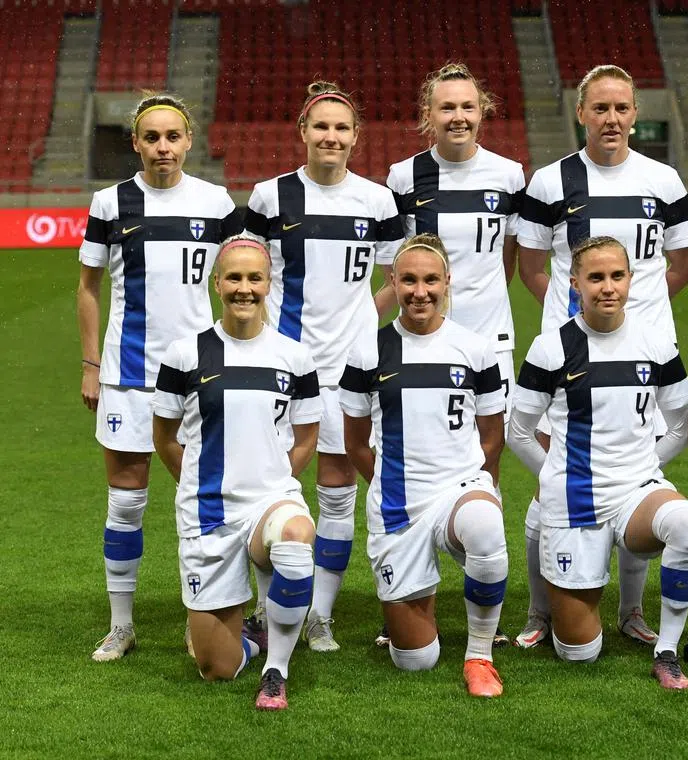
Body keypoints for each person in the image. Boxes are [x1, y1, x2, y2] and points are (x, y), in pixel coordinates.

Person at [514, 64, 688, 648]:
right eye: (600, 108)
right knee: (550, 497)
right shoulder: (550, 182)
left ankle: (633, 610)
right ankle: (540, 614)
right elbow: (531, 265)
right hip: (570, 358)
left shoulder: (664, 180)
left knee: (642, 475)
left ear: (636, 114)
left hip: (643, 356)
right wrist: (579, 320)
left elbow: (683, 264)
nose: (611, 119)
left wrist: (628, 320)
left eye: (622, 108)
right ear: (581, 113)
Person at [78, 93, 243, 662]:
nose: (163, 148)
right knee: (126, 502)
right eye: (152, 138)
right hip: (128, 375)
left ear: (189, 141)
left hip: (199, 377)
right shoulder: (110, 202)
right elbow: (88, 288)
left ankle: (210, 612)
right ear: (136, 143)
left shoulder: (217, 202)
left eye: (172, 137)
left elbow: (241, 281)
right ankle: (121, 624)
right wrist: (91, 365)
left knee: (206, 499)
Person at [244, 80, 403, 652]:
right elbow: (248, 276)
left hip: (348, 373)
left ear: (355, 137)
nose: (330, 136)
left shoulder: (378, 201)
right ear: (303, 133)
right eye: (321, 127)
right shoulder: (270, 196)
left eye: (341, 128)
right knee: (268, 483)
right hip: (282, 366)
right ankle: (265, 608)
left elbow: (393, 279)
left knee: (336, 491)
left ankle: (320, 616)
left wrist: (363, 319)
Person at [508, 236, 688, 690]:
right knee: (579, 652)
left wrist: (641, 468)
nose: (607, 287)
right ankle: (549, 610)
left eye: (617, 276)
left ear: (631, 280)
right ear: (575, 283)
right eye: (596, 277)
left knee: (685, 520)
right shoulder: (551, 348)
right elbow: (518, 431)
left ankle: (665, 648)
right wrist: (555, 476)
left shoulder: (657, 344)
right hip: (573, 495)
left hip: (636, 490)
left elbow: (681, 426)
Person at [379, 63, 524, 649]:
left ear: (482, 111)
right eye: (446, 108)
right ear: (427, 117)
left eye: (467, 107)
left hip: (488, 344)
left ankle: (485, 604)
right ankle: (419, 589)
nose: (458, 117)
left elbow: (511, 259)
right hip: (416, 343)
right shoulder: (403, 176)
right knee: (414, 464)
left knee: (486, 466)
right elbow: (395, 267)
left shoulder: (511, 176)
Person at [152, 234, 321, 710]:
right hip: (208, 513)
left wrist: (274, 481)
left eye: (254, 278)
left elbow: (306, 437)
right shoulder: (185, 354)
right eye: (234, 278)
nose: (244, 288)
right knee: (216, 669)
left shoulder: (294, 356)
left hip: (271, 502)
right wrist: (199, 485)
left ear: (269, 284)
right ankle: (242, 639)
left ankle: (276, 670)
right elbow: (165, 437)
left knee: (295, 535)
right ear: (216, 285)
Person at [341, 234, 509, 698]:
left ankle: (480, 655)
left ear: (447, 282)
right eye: (409, 280)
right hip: (398, 505)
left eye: (431, 280)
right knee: (416, 661)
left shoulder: (475, 350)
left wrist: (482, 489)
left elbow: (492, 434)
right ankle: (413, 602)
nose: (420, 292)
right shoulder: (367, 353)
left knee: (486, 525)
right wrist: (391, 486)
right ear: (392, 282)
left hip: (459, 487)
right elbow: (356, 443)